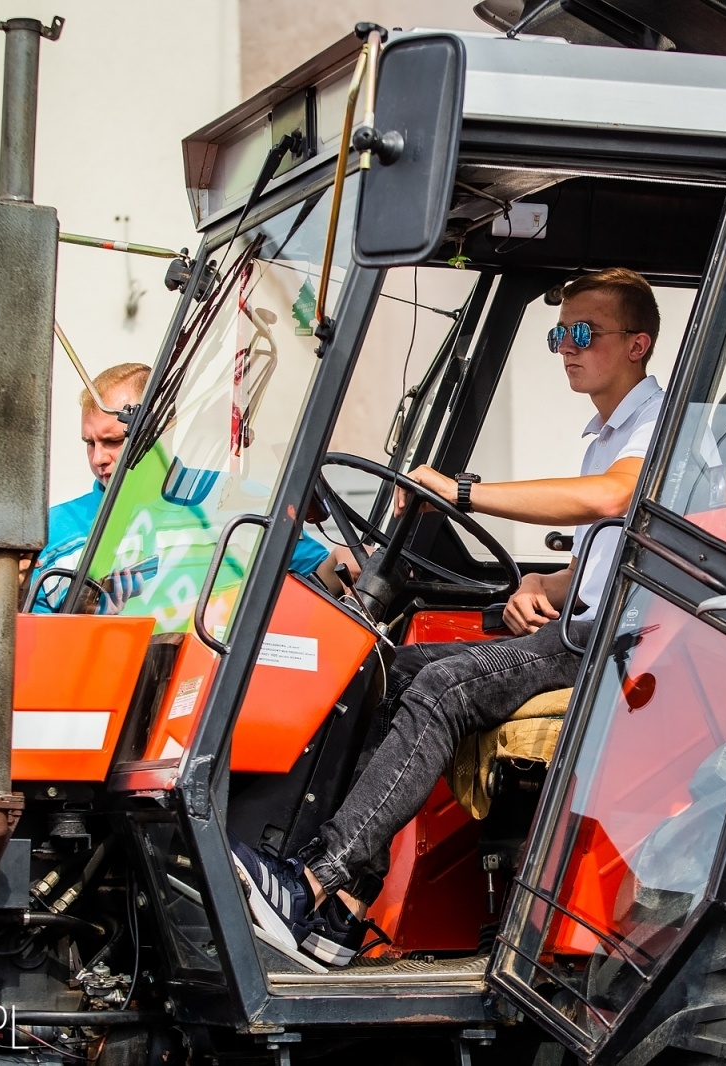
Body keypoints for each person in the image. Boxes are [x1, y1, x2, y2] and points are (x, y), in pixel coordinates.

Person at [229, 267, 666, 967]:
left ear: (638, 343)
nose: (565, 347)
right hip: (578, 619)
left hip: (613, 642)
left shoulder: (655, 422)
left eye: (583, 333)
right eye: (558, 333)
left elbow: (615, 499)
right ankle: (343, 912)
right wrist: (542, 584)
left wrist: (465, 491)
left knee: (445, 688)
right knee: (395, 667)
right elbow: (610, 553)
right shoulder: (605, 431)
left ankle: (313, 883)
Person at [29, 362, 345, 612]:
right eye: (90, 443)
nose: (98, 458)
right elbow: (38, 646)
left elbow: (319, 586)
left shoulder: (239, 501)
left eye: (112, 441)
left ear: (163, 428)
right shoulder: (53, 531)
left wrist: (346, 560)